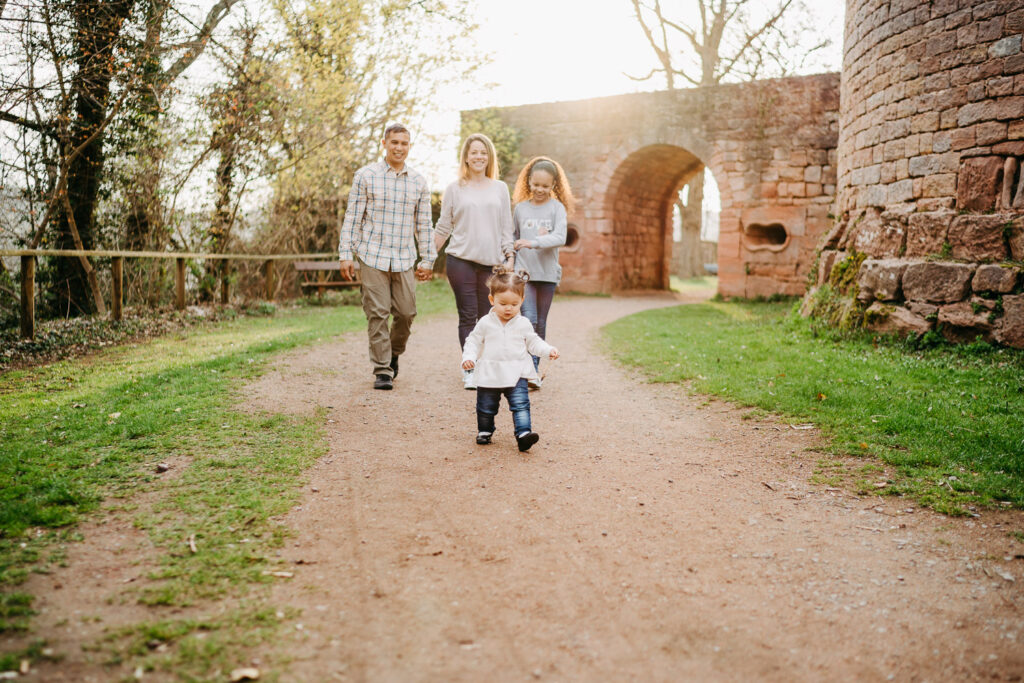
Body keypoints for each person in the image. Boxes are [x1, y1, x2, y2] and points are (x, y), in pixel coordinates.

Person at [338, 123, 435, 390]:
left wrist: (428, 259)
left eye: (404, 143)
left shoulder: (418, 182)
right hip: (372, 254)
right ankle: (382, 370)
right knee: (377, 312)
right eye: (394, 142)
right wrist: (346, 254)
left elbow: (424, 225)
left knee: (406, 313)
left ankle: (393, 353)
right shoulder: (365, 176)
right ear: (384, 143)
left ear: (409, 146)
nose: (399, 148)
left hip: (404, 256)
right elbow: (352, 218)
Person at [435, 133, 515, 390]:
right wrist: (426, 258)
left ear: (488, 157)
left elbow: (506, 227)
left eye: (483, 152)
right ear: (466, 158)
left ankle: (485, 367)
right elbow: (443, 227)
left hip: (491, 265)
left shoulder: (500, 188)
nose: (479, 156)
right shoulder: (454, 189)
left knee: (487, 318)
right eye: (474, 152)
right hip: (460, 260)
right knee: (468, 316)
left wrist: (510, 256)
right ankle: (470, 370)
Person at [461, 268, 559, 452]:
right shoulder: (485, 322)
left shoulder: (523, 323)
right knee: (486, 406)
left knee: (521, 405)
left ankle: (523, 434)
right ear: (492, 300)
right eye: (503, 303)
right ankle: (485, 430)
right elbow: (472, 341)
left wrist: (548, 350)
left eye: (514, 304)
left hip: (517, 372)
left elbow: (534, 342)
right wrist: (468, 358)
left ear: (522, 301)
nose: (508, 308)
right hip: (491, 372)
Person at [511, 156, 576, 389]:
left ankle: (534, 371)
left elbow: (560, 237)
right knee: (530, 319)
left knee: (541, 324)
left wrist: (532, 242)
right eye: (536, 184)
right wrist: (510, 257)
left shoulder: (557, 208)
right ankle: (527, 371)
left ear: (553, 186)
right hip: (524, 274)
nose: (540, 189)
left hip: (547, 274)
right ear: (528, 181)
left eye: (545, 186)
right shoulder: (520, 208)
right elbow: (512, 237)